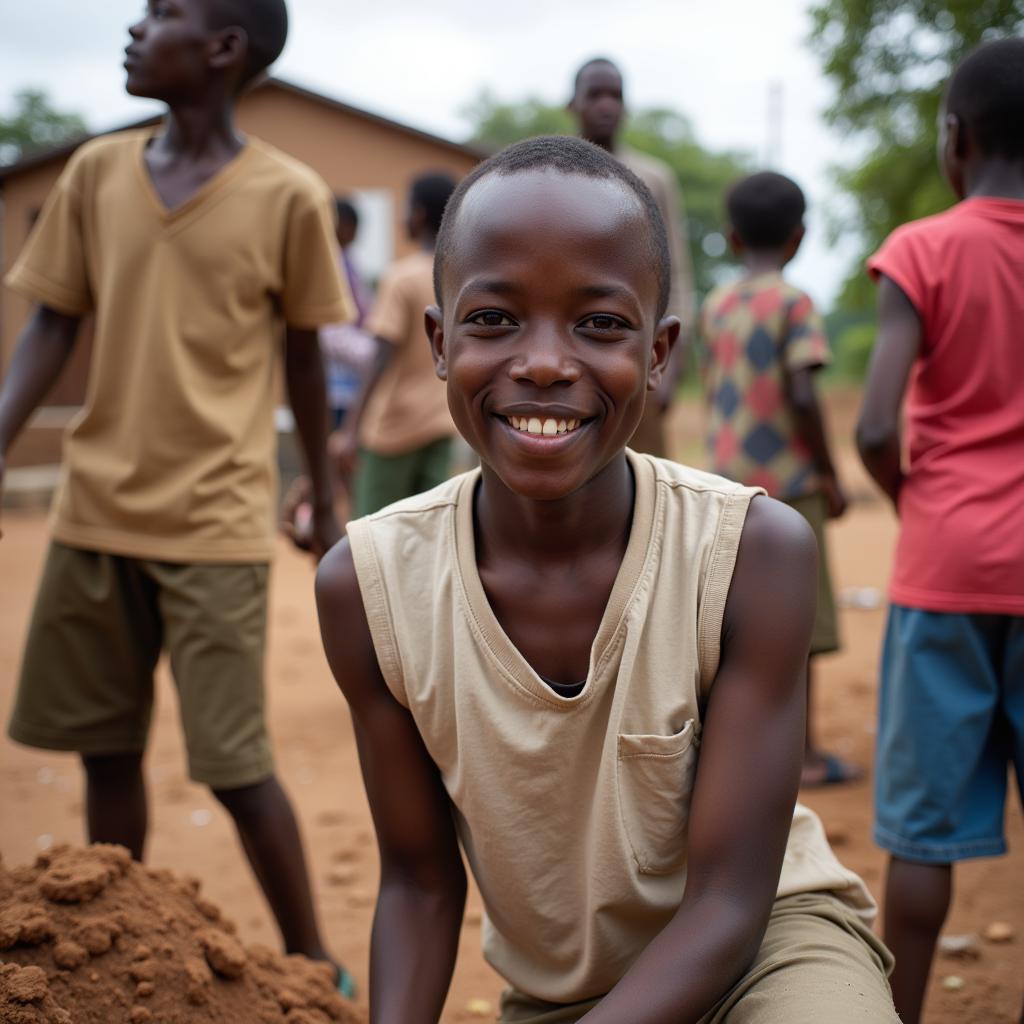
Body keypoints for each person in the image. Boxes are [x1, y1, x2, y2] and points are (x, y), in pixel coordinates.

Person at [316, 135, 898, 1023]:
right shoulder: (369, 587)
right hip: (568, 997)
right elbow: (419, 886)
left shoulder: (751, 553)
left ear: (660, 354)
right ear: (438, 342)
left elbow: (731, 903)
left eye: (599, 324)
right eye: (494, 319)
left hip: (769, 953)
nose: (545, 362)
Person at [0, 0, 355, 993]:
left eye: (161, 13)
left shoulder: (288, 195)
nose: (133, 26)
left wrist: (321, 495)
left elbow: (303, 355)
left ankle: (315, 957)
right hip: (94, 514)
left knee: (235, 765)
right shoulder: (96, 174)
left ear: (223, 49)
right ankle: (119, 951)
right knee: (104, 750)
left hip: (216, 521)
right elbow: (52, 322)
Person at [856, 37, 1024, 1024]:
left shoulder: (919, 249)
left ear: (952, 140)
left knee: (919, 835)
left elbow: (876, 424)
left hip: (946, 562)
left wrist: (911, 496)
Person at [700, 171, 858, 789]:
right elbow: (802, 390)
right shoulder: (795, 303)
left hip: (723, 485)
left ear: (732, 239)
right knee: (800, 621)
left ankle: (729, 751)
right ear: (799, 238)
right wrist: (828, 470)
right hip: (789, 486)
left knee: (732, 619)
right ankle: (805, 756)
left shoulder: (715, 305)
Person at [569, 56, 695, 457]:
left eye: (616, 95)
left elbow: (674, 271)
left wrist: (670, 364)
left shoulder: (652, 179)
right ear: (573, 104)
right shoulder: (551, 175)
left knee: (644, 478)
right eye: (595, 94)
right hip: (565, 347)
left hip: (633, 355)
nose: (606, 105)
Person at [331, 172, 458, 517]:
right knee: (431, 531)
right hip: (440, 422)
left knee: (373, 531)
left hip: (391, 430)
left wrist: (350, 429)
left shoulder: (402, 277)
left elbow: (380, 357)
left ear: (417, 214)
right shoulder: (458, 274)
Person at [321, 198, 375, 431]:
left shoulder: (350, 262)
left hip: (350, 378)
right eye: (352, 226)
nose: (354, 233)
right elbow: (329, 330)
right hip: (334, 377)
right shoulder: (326, 263)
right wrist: (372, 355)